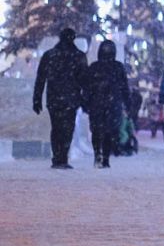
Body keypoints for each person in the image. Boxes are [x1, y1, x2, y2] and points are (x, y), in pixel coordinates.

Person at [32, 27, 88, 170]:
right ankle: (62, 157)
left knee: (56, 128)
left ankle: (57, 158)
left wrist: (37, 99)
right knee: (67, 128)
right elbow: (84, 80)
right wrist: (84, 99)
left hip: (54, 98)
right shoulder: (79, 56)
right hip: (71, 98)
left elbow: (40, 79)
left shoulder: (49, 55)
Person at [84, 39, 131, 169]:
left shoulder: (94, 67)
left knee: (97, 130)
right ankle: (105, 157)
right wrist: (128, 103)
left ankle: (97, 153)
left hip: (96, 104)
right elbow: (124, 87)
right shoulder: (118, 67)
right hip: (113, 104)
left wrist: (85, 103)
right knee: (109, 131)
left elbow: (87, 87)